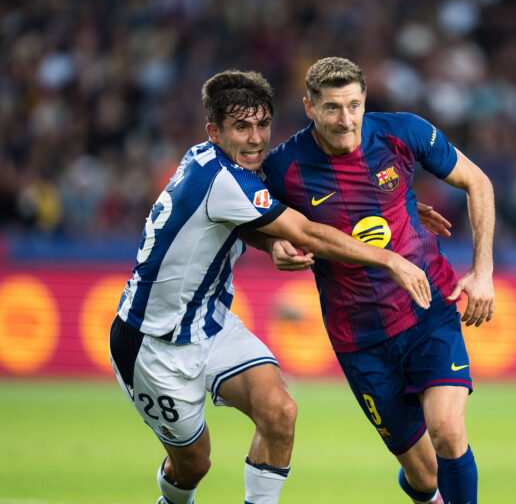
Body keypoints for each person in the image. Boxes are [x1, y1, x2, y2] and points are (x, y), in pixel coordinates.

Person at [108, 69, 433, 504]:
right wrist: (388, 256)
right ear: (215, 131)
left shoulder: (211, 161)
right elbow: (307, 231)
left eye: (263, 124)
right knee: (194, 464)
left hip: (211, 324)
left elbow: (247, 225)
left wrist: (273, 242)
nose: (257, 138)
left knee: (280, 412)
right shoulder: (223, 180)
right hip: (153, 344)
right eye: (242, 127)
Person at [260, 57, 495, 504]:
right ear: (309, 107)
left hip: (428, 311)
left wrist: (482, 272)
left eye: (354, 105)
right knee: (426, 478)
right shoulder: (284, 167)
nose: (345, 119)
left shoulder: (400, 132)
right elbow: (248, 218)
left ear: (365, 102)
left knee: (447, 432)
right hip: (360, 339)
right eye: (332, 108)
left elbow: (477, 182)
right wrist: (271, 244)